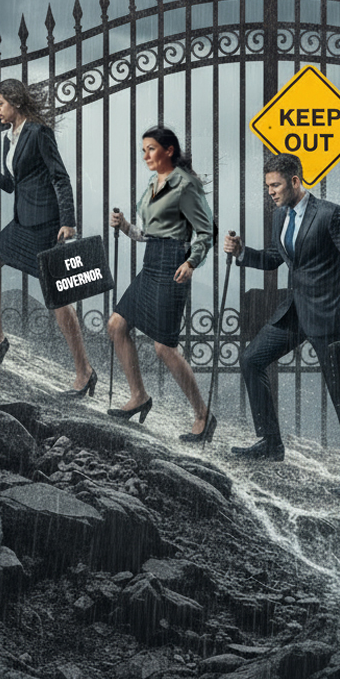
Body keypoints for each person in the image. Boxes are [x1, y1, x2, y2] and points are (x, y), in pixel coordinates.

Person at [225, 153, 340, 497]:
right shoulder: (280, 216)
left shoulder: (331, 214)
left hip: (330, 315)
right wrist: (242, 252)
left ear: (296, 181)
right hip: (295, 311)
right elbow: (277, 258)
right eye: (268, 187)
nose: (271, 193)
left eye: (276, 185)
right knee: (251, 359)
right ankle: (271, 443)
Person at [0, 80, 95, 395]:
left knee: (58, 300)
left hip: (45, 224)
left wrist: (69, 221)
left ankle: (85, 371)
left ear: (15, 102)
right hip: (22, 221)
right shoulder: (9, 137)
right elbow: (13, 184)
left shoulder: (38, 133)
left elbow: (59, 177)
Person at [107, 126, 215, 442]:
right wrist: (126, 226)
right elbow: (149, 233)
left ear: (169, 150)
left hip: (173, 265)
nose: (145, 156)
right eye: (143, 150)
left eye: (151, 149)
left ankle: (203, 415)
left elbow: (205, 232)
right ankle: (139, 396)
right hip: (151, 262)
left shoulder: (186, 185)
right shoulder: (154, 183)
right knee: (116, 325)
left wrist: (191, 262)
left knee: (163, 348)